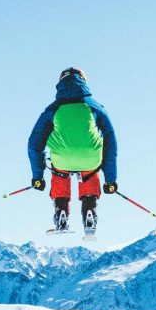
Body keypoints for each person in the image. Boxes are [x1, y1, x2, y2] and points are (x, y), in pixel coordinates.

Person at [28, 67, 118, 236]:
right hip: (91, 159)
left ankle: (61, 212)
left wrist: (37, 177)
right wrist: (110, 180)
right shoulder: (95, 106)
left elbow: (34, 144)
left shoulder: (52, 109)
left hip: (62, 159)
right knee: (90, 168)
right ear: (84, 81)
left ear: (60, 83)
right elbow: (111, 142)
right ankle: (89, 211)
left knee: (59, 167)